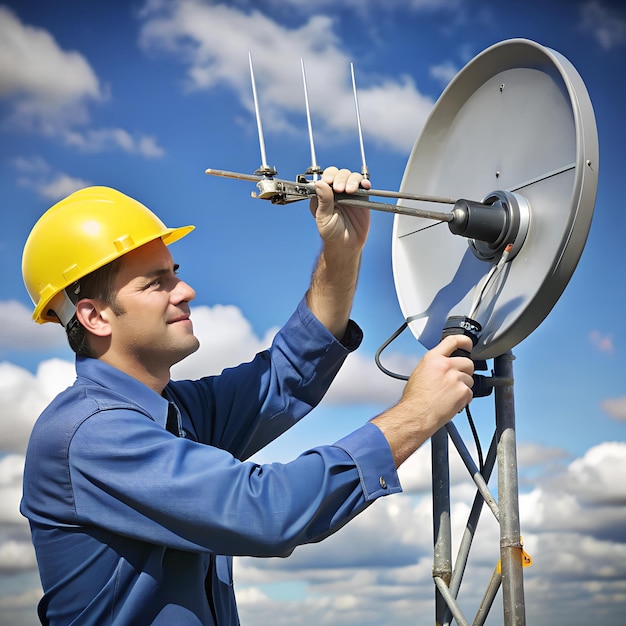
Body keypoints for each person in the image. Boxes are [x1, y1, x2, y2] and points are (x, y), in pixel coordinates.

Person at [20, 167, 474, 625]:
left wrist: (342, 250)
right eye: (156, 282)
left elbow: (287, 373)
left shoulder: (178, 413)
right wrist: (415, 414)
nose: (187, 290)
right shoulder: (89, 434)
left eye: (174, 273)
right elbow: (266, 511)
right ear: (95, 316)